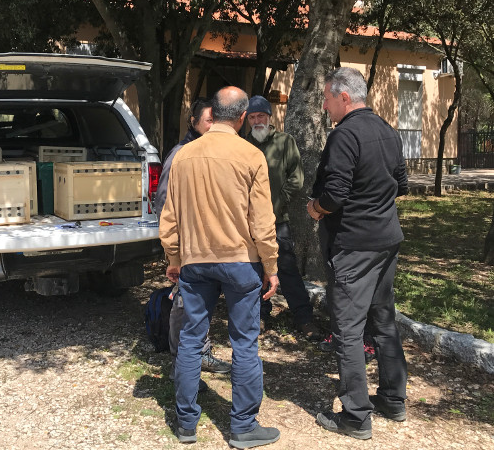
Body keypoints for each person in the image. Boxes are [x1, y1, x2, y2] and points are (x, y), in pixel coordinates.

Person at [160, 86, 282, 447]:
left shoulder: (183, 156)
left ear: (213, 112)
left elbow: (169, 219)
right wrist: (271, 266)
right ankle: (243, 427)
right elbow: (262, 221)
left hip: (195, 262)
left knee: (190, 340)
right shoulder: (251, 155)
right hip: (241, 262)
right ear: (243, 117)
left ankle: (185, 424)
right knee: (244, 343)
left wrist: (174, 259)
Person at [307, 68, 409, 440]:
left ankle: (356, 416)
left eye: (327, 99)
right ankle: (393, 399)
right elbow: (402, 184)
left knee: (348, 330)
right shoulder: (388, 131)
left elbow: (334, 194)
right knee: (383, 320)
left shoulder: (345, 134)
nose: (324, 105)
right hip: (386, 240)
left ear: (343, 98)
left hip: (354, 246)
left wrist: (316, 209)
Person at [154, 98, 232, 389]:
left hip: (210, 246)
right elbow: (164, 203)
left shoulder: (215, 152)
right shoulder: (181, 153)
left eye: (216, 120)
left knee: (200, 305)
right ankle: (181, 366)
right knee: (183, 306)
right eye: (208, 120)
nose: (213, 126)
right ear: (194, 122)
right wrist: (173, 249)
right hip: (186, 247)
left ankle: (201, 354)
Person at [245, 95, 321, 341]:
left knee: (286, 269)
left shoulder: (285, 142)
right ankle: (260, 315)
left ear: (270, 117)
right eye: (252, 117)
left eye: (261, 116)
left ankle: (304, 318)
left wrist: (276, 204)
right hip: (248, 223)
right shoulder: (242, 144)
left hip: (278, 221)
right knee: (255, 270)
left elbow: (296, 178)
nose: (257, 121)